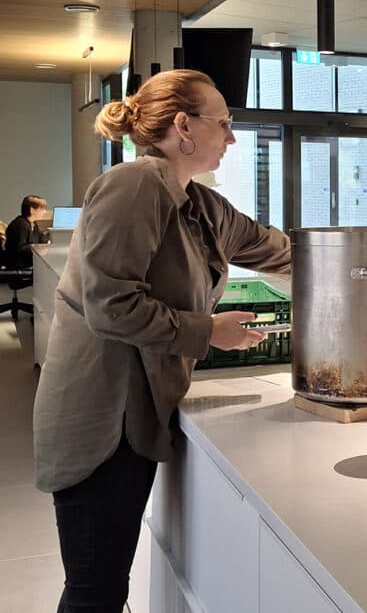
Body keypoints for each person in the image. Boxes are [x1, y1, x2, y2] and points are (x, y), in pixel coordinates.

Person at [33, 69, 292, 612]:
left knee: (104, 585)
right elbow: (111, 305)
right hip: (101, 419)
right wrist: (209, 332)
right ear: (183, 126)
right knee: (95, 589)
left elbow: (274, 248)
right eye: (223, 123)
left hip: (137, 413)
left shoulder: (200, 204)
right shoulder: (136, 184)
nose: (232, 136)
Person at [4, 194, 48, 268]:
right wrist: (39, 249)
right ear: (32, 210)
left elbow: (42, 240)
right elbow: (20, 249)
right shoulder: (20, 225)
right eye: (42, 209)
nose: (45, 212)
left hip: (28, 264)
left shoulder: (33, 224)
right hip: (19, 267)